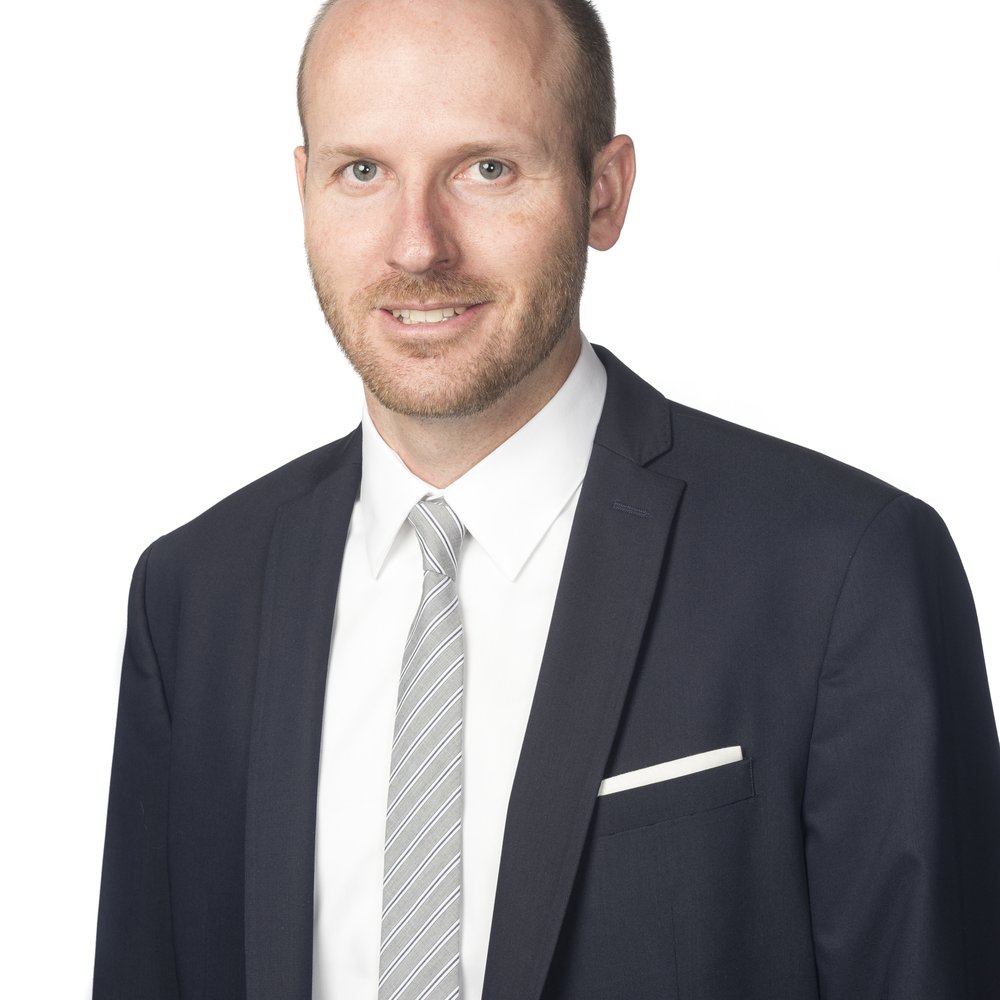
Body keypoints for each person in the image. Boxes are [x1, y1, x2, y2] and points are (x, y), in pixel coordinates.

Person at [94, 0, 1000, 997]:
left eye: (486, 168)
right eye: (362, 172)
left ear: (603, 193)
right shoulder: (194, 598)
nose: (417, 246)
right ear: (302, 186)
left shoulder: (843, 574)